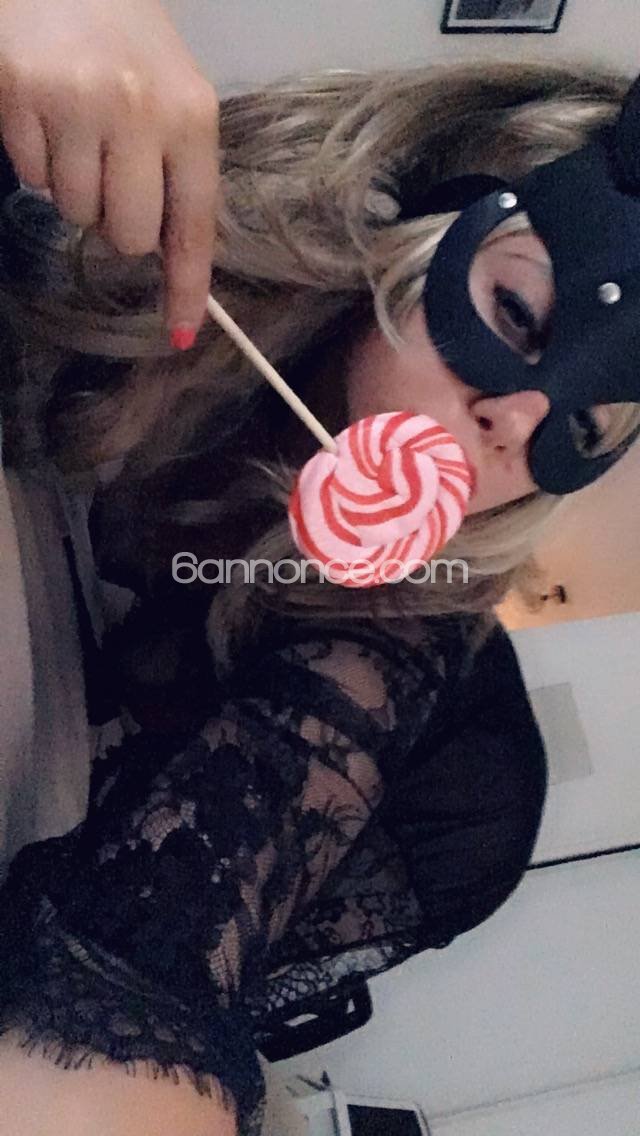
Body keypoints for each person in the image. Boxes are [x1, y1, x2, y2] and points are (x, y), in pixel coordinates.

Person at [1, 4, 639, 1134]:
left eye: (585, 429)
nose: (517, 419)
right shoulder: (114, 247)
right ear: (423, 224)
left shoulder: (395, 646)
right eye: (515, 313)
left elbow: (149, 979)